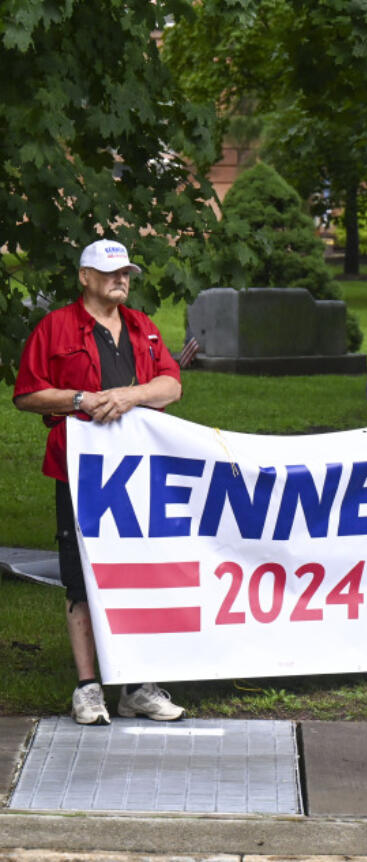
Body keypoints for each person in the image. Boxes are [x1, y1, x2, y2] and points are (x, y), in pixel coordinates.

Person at [13, 239, 187, 724]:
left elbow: (171, 384)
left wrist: (131, 395)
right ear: (84, 278)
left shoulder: (143, 328)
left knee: (139, 573)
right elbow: (27, 395)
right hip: (81, 471)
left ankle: (136, 686)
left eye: (126, 272)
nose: (121, 279)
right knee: (81, 575)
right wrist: (79, 400)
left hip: (139, 470)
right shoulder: (56, 328)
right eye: (109, 272)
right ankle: (88, 687)